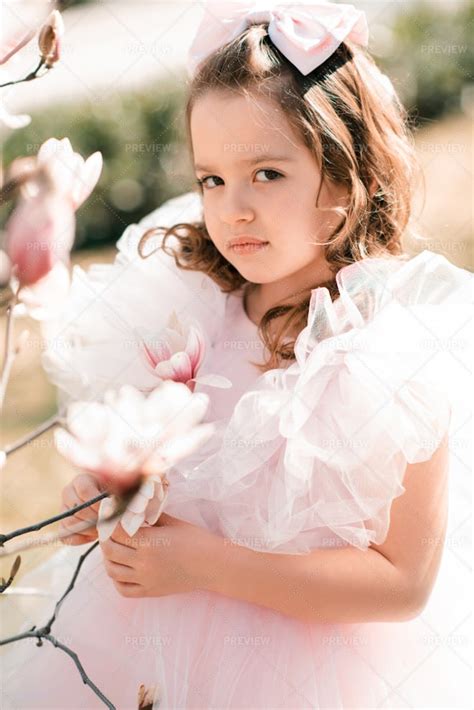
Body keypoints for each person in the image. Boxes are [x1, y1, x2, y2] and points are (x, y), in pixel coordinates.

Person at [1, 2, 472, 708]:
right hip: (142, 652)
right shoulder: (184, 305)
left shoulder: (390, 349)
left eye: (267, 175)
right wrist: (104, 498)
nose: (232, 210)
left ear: (344, 174)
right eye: (212, 179)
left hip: (319, 677)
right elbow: (155, 467)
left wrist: (210, 566)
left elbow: (403, 582)